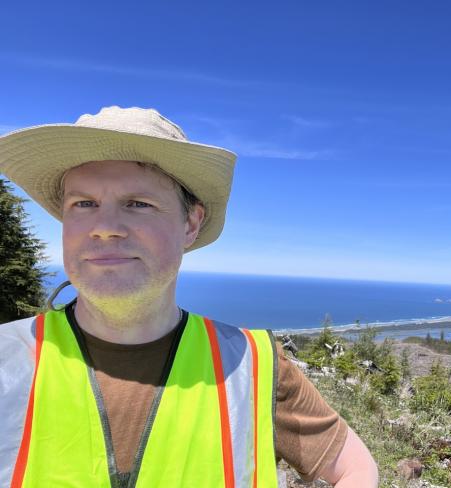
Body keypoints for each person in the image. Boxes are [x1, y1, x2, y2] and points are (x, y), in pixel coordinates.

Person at [0, 106, 379, 487]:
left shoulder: (254, 365)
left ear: (190, 224)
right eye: (83, 203)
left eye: (138, 203)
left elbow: (355, 470)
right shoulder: (6, 358)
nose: (105, 228)